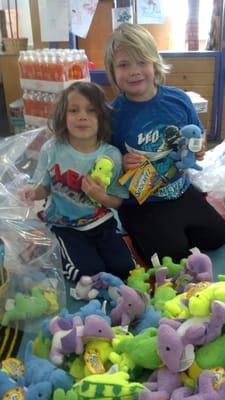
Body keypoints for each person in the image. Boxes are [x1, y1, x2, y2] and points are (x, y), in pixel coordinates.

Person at [104, 22, 225, 264]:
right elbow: (105, 163)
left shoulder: (178, 99)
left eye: (141, 61)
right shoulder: (112, 115)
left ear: (154, 63)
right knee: (171, 258)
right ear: (113, 71)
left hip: (180, 189)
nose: (134, 71)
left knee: (218, 236)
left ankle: (173, 232)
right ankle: (143, 234)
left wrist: (199, 146)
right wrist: (122, 162)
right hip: (141, 201)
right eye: (124, 65)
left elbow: (197, 133)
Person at [19, 81, 134, 281]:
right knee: (88, 275)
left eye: (91, 111)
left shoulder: (112, 155)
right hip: (64, 225)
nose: (82, 116)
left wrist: (101, 196)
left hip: (101, 222)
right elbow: (43, 188)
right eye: (74, 110)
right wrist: (31, 191)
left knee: (125, 269)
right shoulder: (51, 149)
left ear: (102, 118)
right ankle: (43, 246)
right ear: (63, 116)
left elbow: (118, 200)